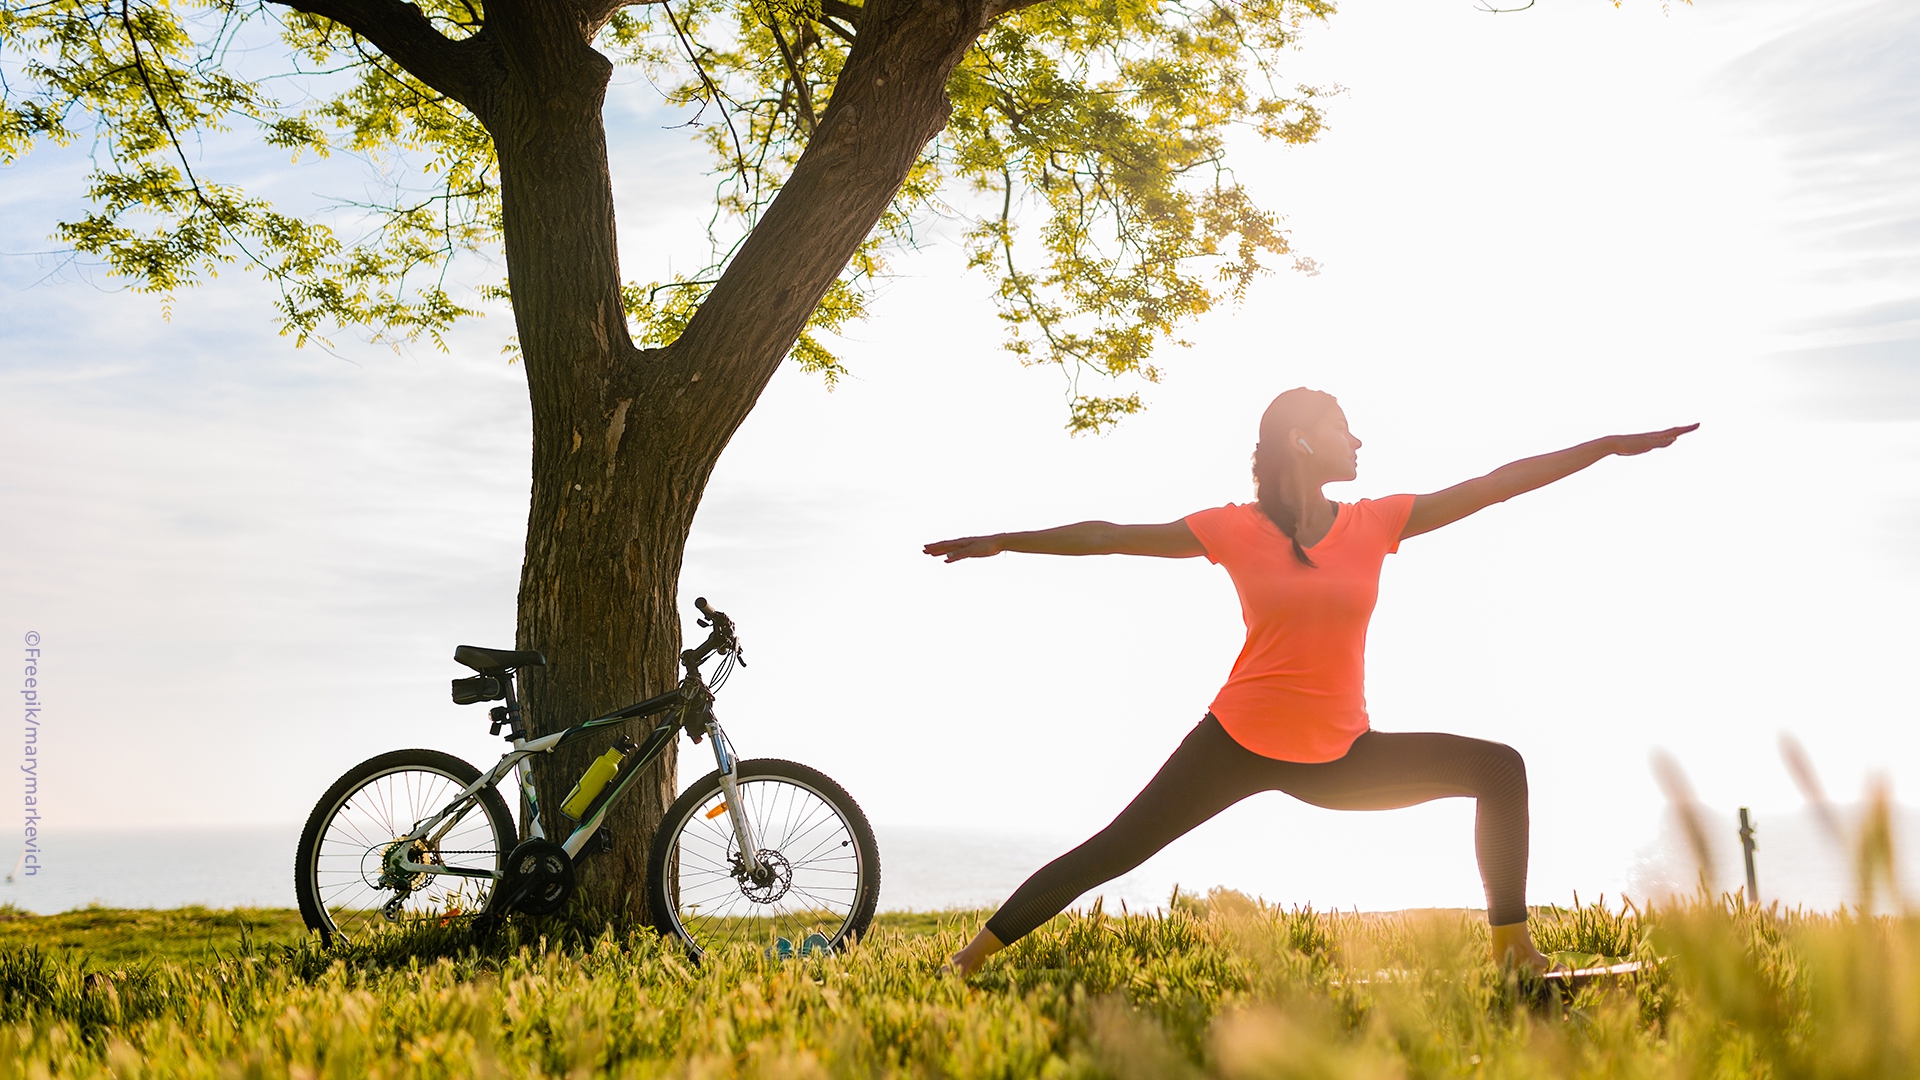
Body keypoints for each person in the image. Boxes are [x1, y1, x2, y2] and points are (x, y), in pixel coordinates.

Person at [924, 388, 1697, 976]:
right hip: (1234, 743)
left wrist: (1603, 446)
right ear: (1301, 439)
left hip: (1341, 759)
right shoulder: (1233, 528)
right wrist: (1004, 541)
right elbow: (1112, 537)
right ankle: (967, 961)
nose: (1357, 438)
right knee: (1112, 852)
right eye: (1340, 426)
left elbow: (1495, 484)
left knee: (1500, 768)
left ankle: (1513, 952)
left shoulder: (1377, 523)